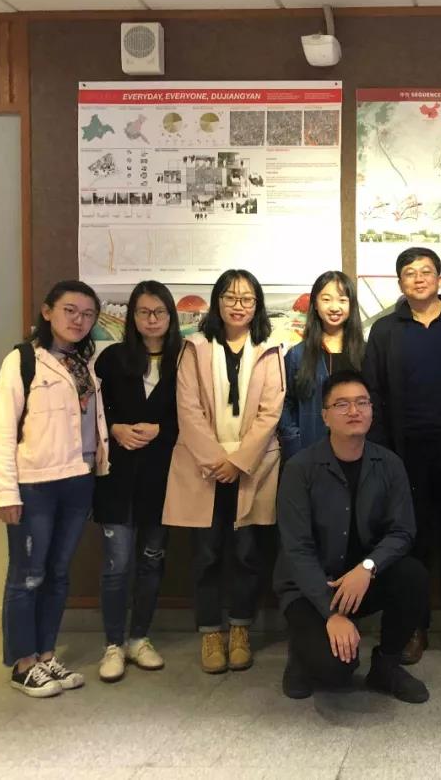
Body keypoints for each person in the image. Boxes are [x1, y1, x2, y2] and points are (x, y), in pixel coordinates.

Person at [362, 247, 441, 668]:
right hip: (405, 453)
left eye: (426, 271)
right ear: (400, 282)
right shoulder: (384, 331)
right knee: (411, 542)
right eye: (410, 273)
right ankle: (412, 628)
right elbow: (373, 394)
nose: (418, 278)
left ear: (439, 278)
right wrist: (382, 455)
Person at [275, 370, 429, 703]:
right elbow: (297, 550)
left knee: (412, 575)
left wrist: (368, 567)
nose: (354, 411)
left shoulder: (389, 464)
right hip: (311, 588)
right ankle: (301, 655)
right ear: (325, 416)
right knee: (335, 670)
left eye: (362, 403)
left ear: (372, 411)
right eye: (342, 404)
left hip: (360, 581)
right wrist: (331, 614)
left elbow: (403, 531)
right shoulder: (300, 468)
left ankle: (385, 666)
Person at [0, 280, 108, 697]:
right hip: (35, 484)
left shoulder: (84, 363)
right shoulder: (22, 360)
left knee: (57, 573)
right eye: (70, 310)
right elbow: (1, 430)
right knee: (28, 575)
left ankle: (46, 655)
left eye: (88, 314)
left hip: (77, 480)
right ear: (47, 311)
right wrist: (5, 493)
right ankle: (23, 664)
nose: (79, 320)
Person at [163, 269, 285, 674]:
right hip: (205, 468)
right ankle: (210, 632)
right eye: (230, 297)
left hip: (252, 467)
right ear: (217, 302)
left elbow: (270, 412)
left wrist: (239, 461)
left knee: (248, 553)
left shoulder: (269, 349)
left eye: (247, 299)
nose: (238, 305)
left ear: (257, 305)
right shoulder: (195, 348)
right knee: (206, 553)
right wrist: (217, 460)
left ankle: (240, 629)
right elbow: (188, 409)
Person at [93, 281, 181, 682]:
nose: (151, 319)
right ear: (132, 316)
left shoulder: (184, 359)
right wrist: (115, 428)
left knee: (151, 561)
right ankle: (113, 644)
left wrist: (161, 430)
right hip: (118, 478)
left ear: (170, 316)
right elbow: (94, 410)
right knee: (118, 564)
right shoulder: (112, 358)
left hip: (162, 479)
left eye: (159, 312)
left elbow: (194, 415)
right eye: (143, 312)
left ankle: (139, 638)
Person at [280, 271, 364, 462]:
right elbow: (285, 403)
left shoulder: (365, 353)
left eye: (342, 300)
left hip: (358, 450)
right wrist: (294, 439)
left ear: (351, 305)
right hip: (309, 450)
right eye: (326, 299)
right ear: (315, 305)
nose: (334, 307)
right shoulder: (298, 354)